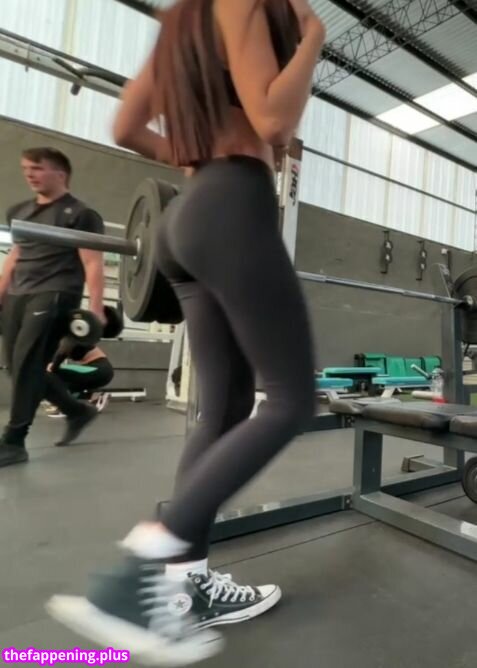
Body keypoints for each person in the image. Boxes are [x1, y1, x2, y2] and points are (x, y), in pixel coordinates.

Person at [46, 1, 326, 665]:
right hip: (233, 205)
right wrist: (314, 36)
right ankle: (137, 576)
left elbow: (125, 126)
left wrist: (196, 157)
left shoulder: (182, 19)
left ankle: (181, 583)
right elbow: (273, 120)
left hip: (185, 216)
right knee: (290, 401)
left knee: (224, 407)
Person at [0, 147, 106, 465]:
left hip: (56, 292)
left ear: (60, 173)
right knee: (18, 368)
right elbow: (15, 256)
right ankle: (77, 411)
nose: (29, 174)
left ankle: (14, 441)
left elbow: (93, 262)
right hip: (19, 294)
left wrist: (97, 308)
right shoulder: (19, 211)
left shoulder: (81, 214)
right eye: (26, 168)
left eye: (37, 168)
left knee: (28, 364)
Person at [44, 339, 114, 418]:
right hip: (96, 373)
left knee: (53, 370)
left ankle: (66, 408)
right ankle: (95, 397)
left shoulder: (70, 339)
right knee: (68, 388)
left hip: (100, 370)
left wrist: (52, 367)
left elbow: (59, 358)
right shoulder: (57, 344)